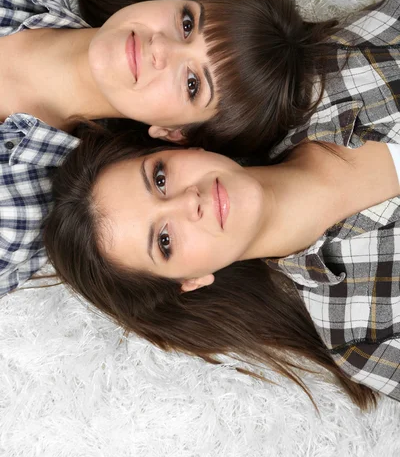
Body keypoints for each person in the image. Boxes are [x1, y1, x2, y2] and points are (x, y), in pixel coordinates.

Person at [0, 0, 328, 293]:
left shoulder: (19, 219)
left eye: (193, 84)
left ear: (174, 135)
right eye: (187, 24)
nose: (162, 50)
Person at [43, 127, 400, 409]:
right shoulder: (365, 337)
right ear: (191, 281)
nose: (188, 202)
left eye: (160, 179)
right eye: (164, 242)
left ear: (183, 147)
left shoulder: (327, 77)